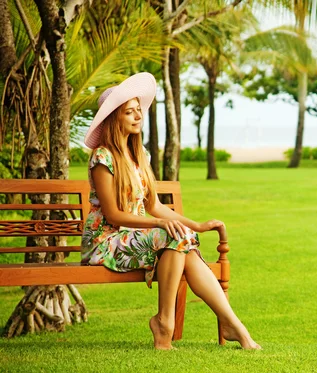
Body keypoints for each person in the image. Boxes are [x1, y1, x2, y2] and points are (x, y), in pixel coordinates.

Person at [81, 72, 260, 350]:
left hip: (136, 238)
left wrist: (196, 225)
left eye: (138, 110)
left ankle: (229, 323)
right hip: (107, 243)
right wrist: (159, 225)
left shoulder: (141, 157)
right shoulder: (102, 158)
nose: (138, 116)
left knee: (183, 241)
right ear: (115, 118)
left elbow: (154, 205)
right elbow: (114, 216)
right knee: (176, 239)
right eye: (129, 112)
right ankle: (168, 323)